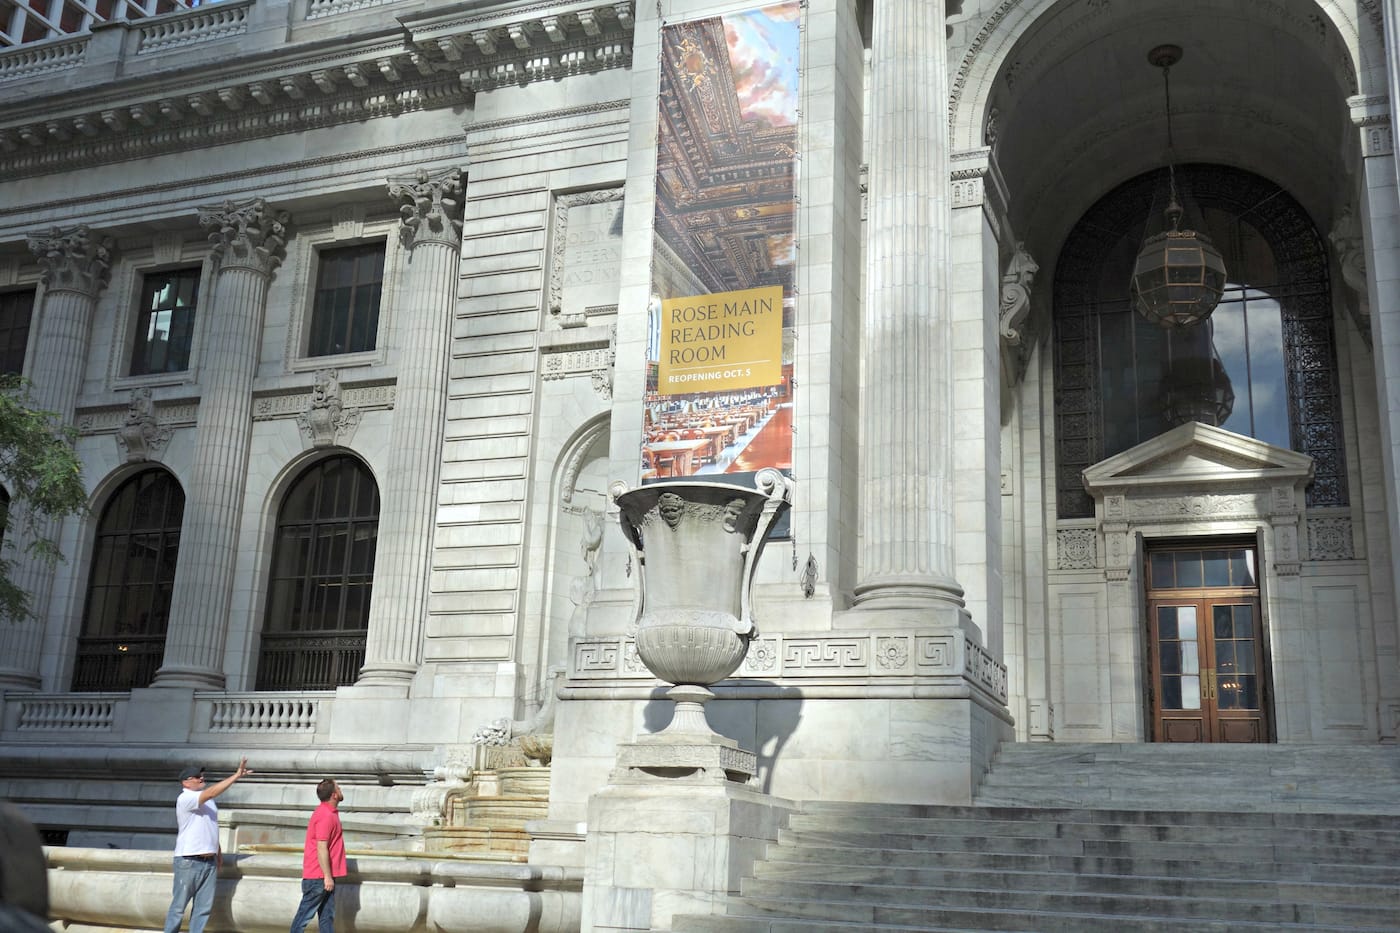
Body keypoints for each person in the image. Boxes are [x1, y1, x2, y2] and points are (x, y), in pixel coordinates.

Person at [163, 757, 251, 933]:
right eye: (196, 776)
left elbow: (210, 825)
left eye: (201, 775)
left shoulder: (208, 801)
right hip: (189, 860)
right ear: (186, 782)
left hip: (208, 861)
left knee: (203, 909)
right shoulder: (185, 798)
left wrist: (216, 851)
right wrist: (236, 776)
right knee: (179, 907)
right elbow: (211, 792)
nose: (201, 778)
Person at [288, 778, 346, 933]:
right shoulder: (325, 815)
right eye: (339, 788)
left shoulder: (329, 813)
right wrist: (327, 876)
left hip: (323, 876)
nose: (341, 790)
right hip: (318, 877)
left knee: (327, 918)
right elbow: (321, 847)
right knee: (303, 918)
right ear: (334, 795)